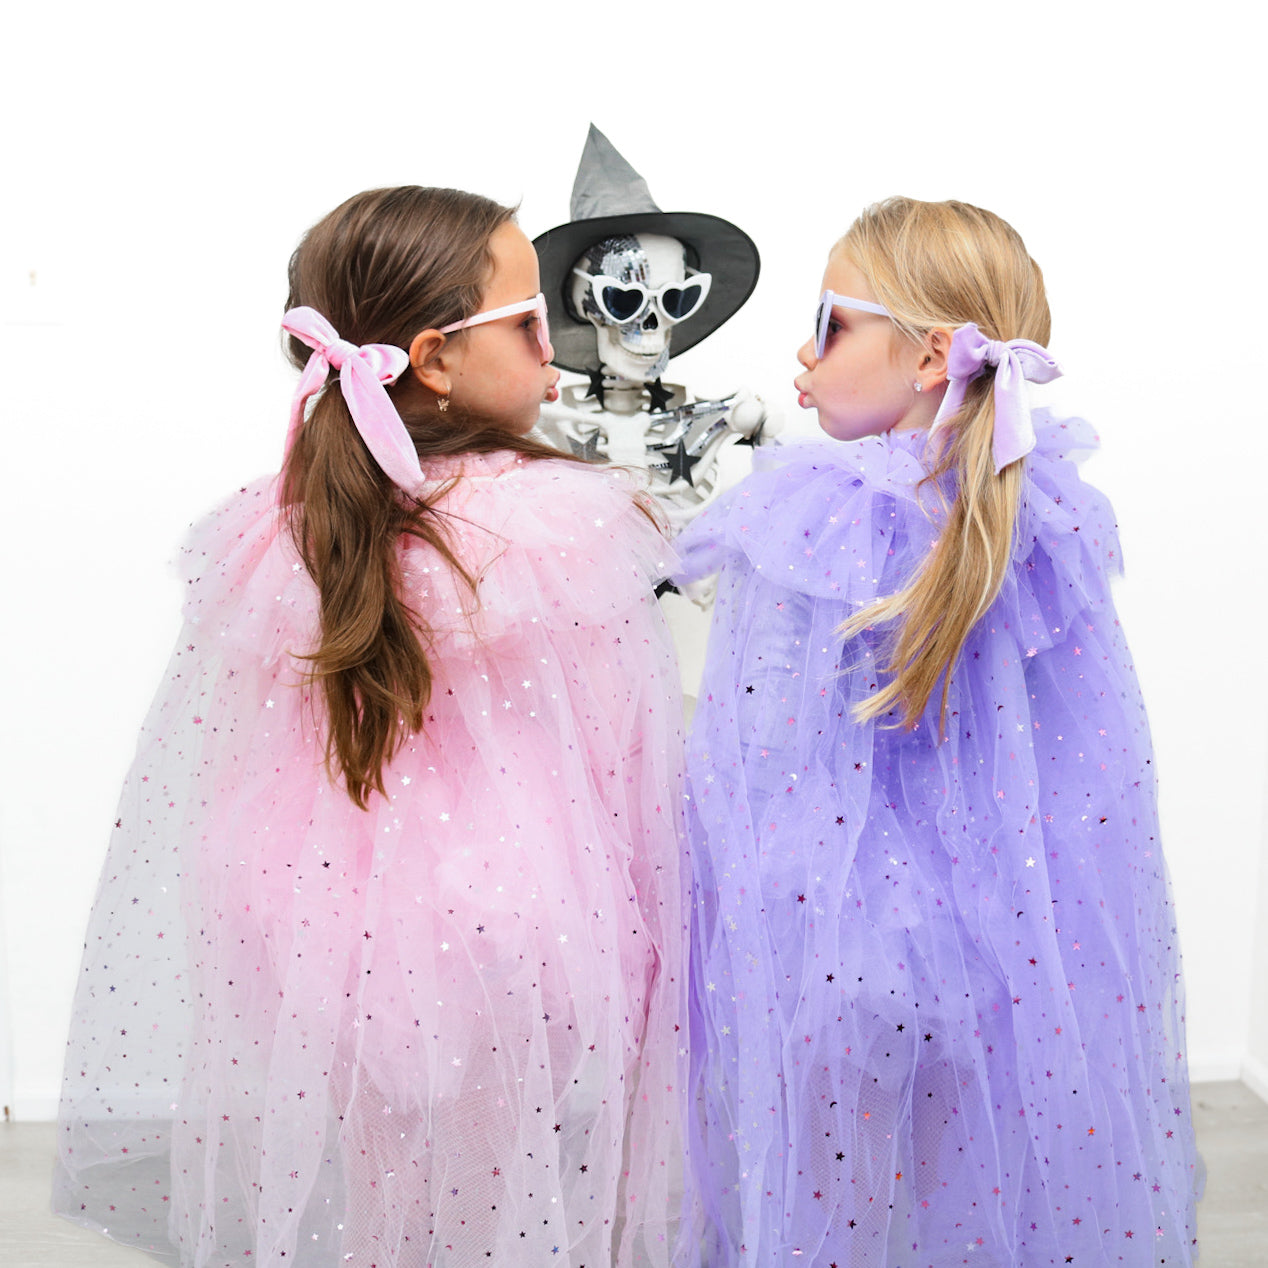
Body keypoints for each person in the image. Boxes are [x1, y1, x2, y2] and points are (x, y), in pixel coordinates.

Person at [54, 186, 688, 1268]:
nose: (557, 354)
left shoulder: (286, 530)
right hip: (515, 906)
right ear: (434, 359)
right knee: (498, 1165)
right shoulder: (550, 527)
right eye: (532, 325)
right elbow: (618, 751)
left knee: (386, 1166)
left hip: (315, 914)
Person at [677, 197, 1201, 1266]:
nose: (803, 352)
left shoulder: (815, 514)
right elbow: (1083, 767)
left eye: (828, 323)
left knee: (835, 1201)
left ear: (927, 358)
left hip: (832, 940)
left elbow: (758, 756)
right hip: (1011, 944)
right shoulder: (1041, 510)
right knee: (978, 1194)